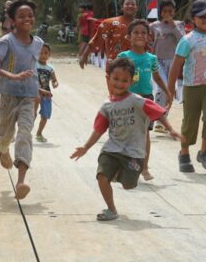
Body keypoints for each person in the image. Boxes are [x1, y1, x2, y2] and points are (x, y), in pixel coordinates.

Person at [70, 57, 183, 222]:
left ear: (131, 82)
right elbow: (98, 130)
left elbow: (158, 113)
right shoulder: (106, 106)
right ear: (108, 78)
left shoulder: (137, 101)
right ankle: (111, 209)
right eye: (116, 79)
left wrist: (171, 129)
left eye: (124, 80)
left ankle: (118, 173)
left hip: (134, 152)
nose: (119, 83)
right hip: (112, 149)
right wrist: (85, 147)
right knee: (101, 175)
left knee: (129, 185)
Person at [0, 0, 44, 200]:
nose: (26, 19)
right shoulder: (5, 42)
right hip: (8, 95)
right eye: (21, 16)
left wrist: (41, 89)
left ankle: (21, 180)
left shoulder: (38, 43)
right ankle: (3, 148)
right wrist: (13, 76)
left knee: (24, 133)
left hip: (28, 97)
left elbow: (34, 69)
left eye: (30, 15)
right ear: (12, 20)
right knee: (6, 134)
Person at [168, 0, 206, 173]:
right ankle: (184, 153)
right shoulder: (188, 40)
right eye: (202, 16)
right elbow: (176, 64)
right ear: (193, 19)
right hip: (193, 85)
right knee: (190, 121)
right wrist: (170, 89)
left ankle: (205, 152)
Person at [116, 19, 172, 181]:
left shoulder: (152, 58)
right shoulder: (123, 56)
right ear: (129, 37)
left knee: (145, 134)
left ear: (148, 37)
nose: (140, 36)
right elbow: (115, 77)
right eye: (136, 33)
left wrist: (168, 92)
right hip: (126, 98)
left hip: (146, 99)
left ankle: (144, 167)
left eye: (143, 33)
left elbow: (157, 77)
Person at [150, 0, 186, 122]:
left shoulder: (179, 24)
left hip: (173, 62)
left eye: (170, 11)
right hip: (157, 60)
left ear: (174, 12)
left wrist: (173, 26)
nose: (167, 14)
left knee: (170, 90)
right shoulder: (154, 26)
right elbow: (150, 42)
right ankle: (159, 119)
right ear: (161, 12)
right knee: (162, 87)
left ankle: (163, 117)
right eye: (165, 11)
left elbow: (183, 41)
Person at [79, 0, 139, 69]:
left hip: (136, 67)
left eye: (133, 4)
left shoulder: (141, 25)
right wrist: (84, 56)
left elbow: (148, 45)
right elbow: (96, 40)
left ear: (136, 7)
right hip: (115, 66)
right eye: (127, 4)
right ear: (122, 7)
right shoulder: (110, 23)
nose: (130, 6)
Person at [34, 43, 59, 143]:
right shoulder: (34, 65)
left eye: (45, 53)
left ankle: (39, 133)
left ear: (49, 54)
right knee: (32, 114)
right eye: (41, 53)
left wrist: (55, 83)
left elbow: (54, 80)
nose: (43, 55)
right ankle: (25, 133)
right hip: (35, 93)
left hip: (47, 94)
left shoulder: (50, 68)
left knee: (45, 115)